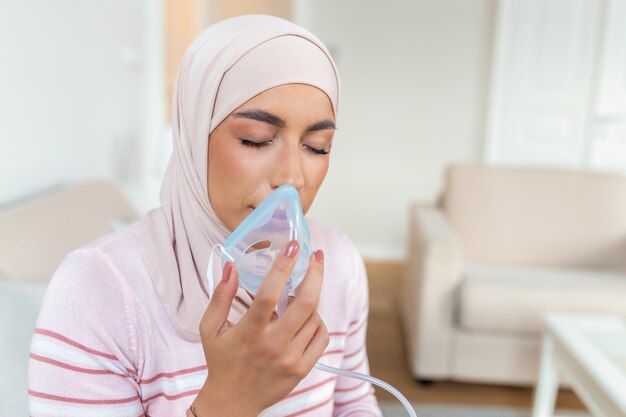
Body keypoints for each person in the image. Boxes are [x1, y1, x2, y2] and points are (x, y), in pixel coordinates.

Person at [28, 14, 382, 417]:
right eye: (256, 139)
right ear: (194, 135)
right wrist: (228, 402)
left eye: (317, 147)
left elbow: (354, 402)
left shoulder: (340, 263)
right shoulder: (96, 292)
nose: (292, 178)